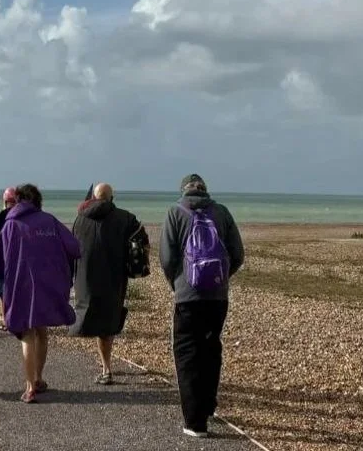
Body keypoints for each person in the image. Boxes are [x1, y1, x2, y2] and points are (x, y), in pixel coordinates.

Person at [161, 174, 245, 438]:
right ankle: (208, 406)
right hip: (217, 297)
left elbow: (167, 258)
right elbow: (238, 254)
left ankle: (195, 422)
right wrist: (221, 278)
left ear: (183, 191)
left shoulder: (175, 212)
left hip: (187, 296)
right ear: (205, 191)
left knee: (187, 354)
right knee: (211, 348)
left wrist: (177, 283)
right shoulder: (222, 212)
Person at [0, 183, 81, 403]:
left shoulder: (10, 224)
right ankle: (38, 378)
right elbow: (74, 247)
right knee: (41, 331)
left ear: (17, 201)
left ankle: (30, 386)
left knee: (27, 333)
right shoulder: (50, 221)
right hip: (48, 283)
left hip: (20, 285)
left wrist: (2, 290)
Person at [69, 182, 146, 384]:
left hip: (85, 279)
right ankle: (106, 368)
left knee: (94, 318)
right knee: (108, 324)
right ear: (111, 198)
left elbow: (71, 250)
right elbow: (141, 239)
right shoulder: (125, 218)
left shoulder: (79, 219)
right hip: (114, 276)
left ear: (93, 198)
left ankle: (106, 368)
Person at [0, 187, 18, 331]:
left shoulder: (2, 216)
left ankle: (6, 320)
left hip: (3, 258)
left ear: (5, 201)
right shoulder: (22, 216)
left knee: (2, 291)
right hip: (18, 259)